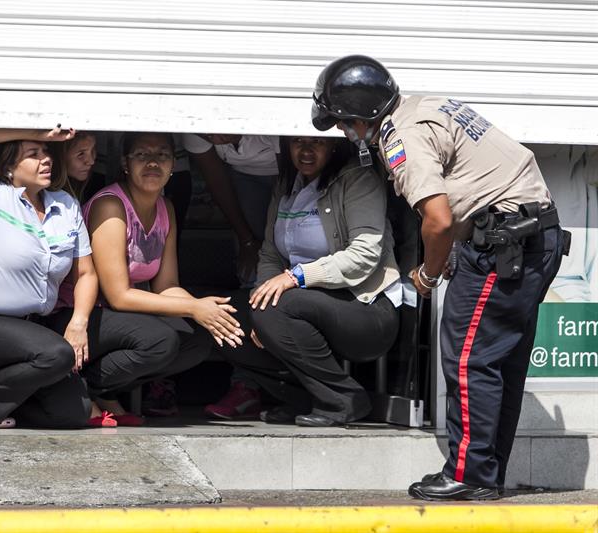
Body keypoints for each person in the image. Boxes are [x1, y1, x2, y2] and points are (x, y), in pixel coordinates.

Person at [311, 55, 567, 500]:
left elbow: (438, 219)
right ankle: (486, 473)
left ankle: (468, 474)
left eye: (343, 123)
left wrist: (429, 273)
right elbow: (474, 185)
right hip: (533, 238)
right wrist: (456, 249)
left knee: (469, 360)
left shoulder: (400, 137)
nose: (343, 133)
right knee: (500, 363)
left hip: (504, 248)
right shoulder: (429, 105)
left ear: (362, 115)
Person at [218, 135, 402, 426]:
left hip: (365, 309)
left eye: (315, 143)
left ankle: (344, 399)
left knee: (276, 309)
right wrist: (260, 299)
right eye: (297, 142)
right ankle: (304, 399)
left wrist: (295, 277)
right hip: (303, 304)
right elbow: (269, 255)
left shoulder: (358, 179)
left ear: (333, 145)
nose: (305, 150)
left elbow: (364, 255)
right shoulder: (286, 184)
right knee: (225, 316)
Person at [0, 126, 115, 429]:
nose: (45, 159)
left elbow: (86, 273)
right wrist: (44, 134)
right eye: (33, 154)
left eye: (47, 153)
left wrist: (78, 323)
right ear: (9, 166)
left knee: (73, 412)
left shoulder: (66, 204)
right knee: (57, 354)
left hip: (30, 329)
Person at [85, 131, 245, 416]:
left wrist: (210, 311)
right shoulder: (111, 205)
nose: (153, 163)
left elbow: (167, 285)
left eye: (162, 155)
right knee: (161, 341)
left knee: (199, 338)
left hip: (124, 315)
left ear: (174, 164)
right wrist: (193, 306)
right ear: (125, 163)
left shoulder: (165, 207)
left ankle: (109, 388)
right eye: (142, 155)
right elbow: (118, 296)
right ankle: (84, 384)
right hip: (88, 313)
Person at [183, 133, 281, 419]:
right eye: (206, 134)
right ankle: (246, 386)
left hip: (288, 177)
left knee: (284, 277)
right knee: (251, 281)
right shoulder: (196, 126)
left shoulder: (265, 121)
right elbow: (217, 180)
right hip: (243, 183)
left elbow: (291, 180)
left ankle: (294, 386)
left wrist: (274, 247)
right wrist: (247, 241)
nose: (212, 137)